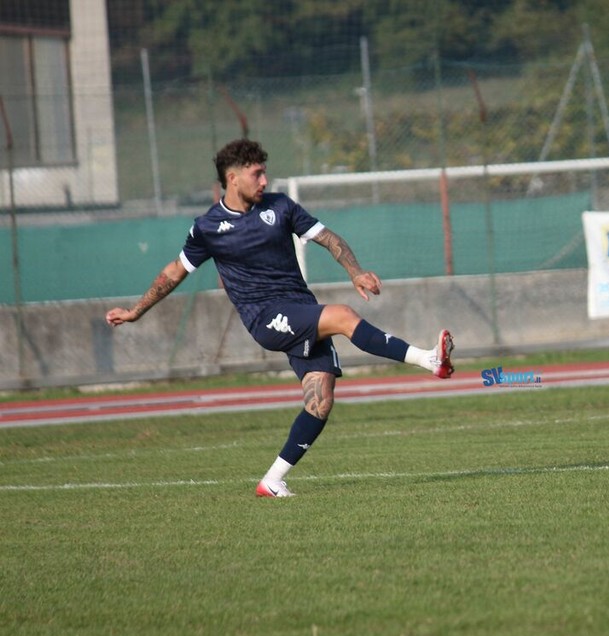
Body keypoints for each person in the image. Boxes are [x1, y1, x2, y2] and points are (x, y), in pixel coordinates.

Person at [106, 139, 455, 496]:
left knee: (320, 401)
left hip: (300, 308)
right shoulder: (208, 227)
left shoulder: (280, 207)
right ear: (232, 178)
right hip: (265, 318)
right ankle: (429, 360)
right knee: (343, 315)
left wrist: (355, 271)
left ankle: (271, 481)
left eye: (264, 173)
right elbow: (174, 272)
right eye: (256, 174)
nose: (264, 181)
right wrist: (135, 312)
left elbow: (327, 237)